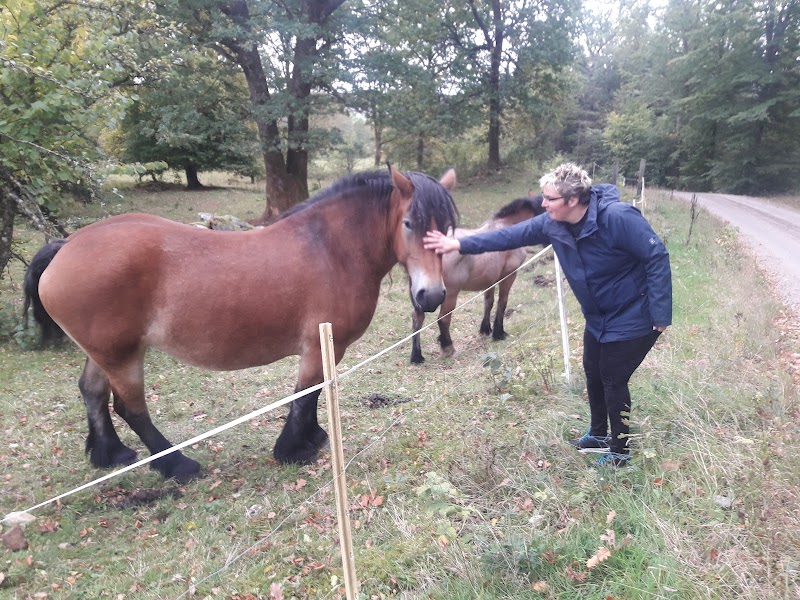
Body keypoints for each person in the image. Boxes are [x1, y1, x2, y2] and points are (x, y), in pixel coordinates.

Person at [423, 163, 672, 467]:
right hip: (598, 316)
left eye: (550, 199)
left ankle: (620, 452)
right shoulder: (553, 223)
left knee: (613, 379)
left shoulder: (618, 218)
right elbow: (509, 236)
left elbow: (656, 256)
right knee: (592, 371)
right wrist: (459, 243)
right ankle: (597, 435)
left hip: (635, 313)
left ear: (573, 200)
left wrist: (660, 315)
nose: (542, 204)